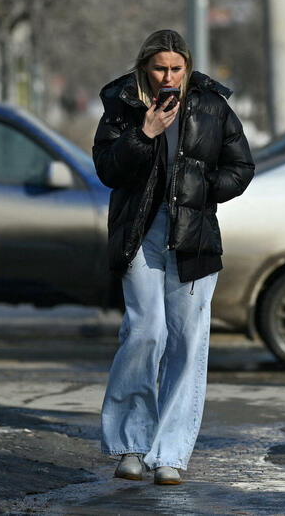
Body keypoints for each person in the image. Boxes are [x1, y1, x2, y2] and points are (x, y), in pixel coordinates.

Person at [93, 29, 254, 485]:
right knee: (145, 331)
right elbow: (107, 169)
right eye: (160, 68)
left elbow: (242, 167)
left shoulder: (211, 104)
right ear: (146, 66)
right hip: (141, 231)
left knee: (187, 342)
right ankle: (130, 445)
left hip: (194, 237)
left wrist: (204, 190)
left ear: (187, 66)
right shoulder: (122, 103)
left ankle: (170, 454)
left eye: (176, 69)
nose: (169, 77)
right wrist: (144, 133)